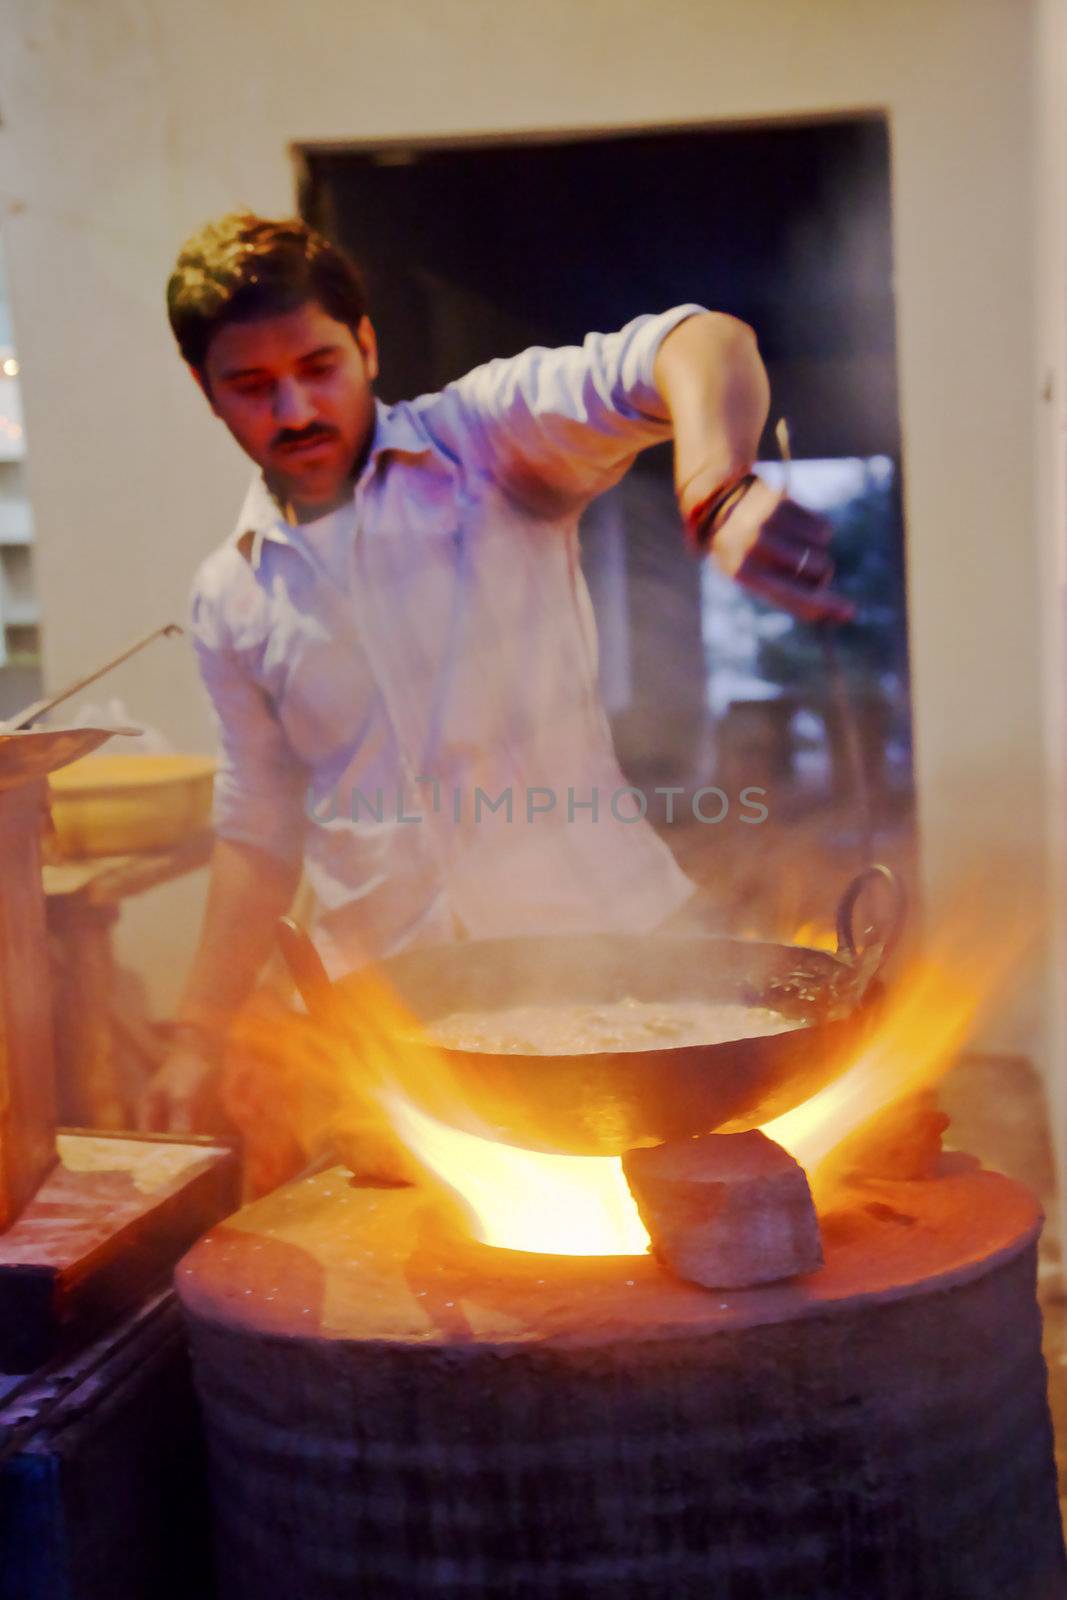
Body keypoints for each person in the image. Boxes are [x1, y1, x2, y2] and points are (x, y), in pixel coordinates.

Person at [139, 212, 845, 1135]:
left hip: (626, 965)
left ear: (365, 342)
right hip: (396, 1032)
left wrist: (718, 489)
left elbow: (700, 340)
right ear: (205, 390)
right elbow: (258, 827)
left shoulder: (483, 443)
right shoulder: (230, 594)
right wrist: (198, 1035)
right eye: (252, 387)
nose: (297, 412)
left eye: (318, 369)